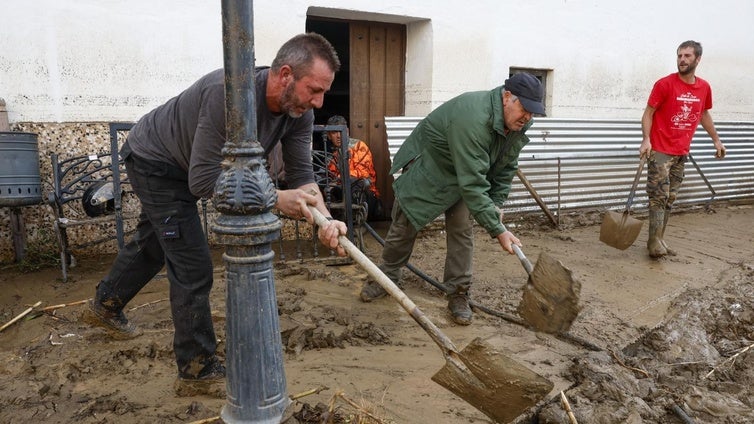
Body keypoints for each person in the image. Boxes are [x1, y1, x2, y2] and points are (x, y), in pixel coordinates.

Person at [82, 32, 347, 395]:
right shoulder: (229, 96)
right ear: (285, 74)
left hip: (186, 164)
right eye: (313, 90)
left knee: (158, 243)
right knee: (192, 264)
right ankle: (196, 368)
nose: (317, 101)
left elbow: (303, 177)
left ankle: (105, 304)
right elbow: (203, 180)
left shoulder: (298, 112)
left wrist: (325, 219)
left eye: (323, 93)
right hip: (156, 161)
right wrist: (273, 198)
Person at [359, 72, 546, 325]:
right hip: (432, 168)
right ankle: (386, 276)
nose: (528, 117)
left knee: (461, 229)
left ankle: (458, 293)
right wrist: (498, 229)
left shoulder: (519, 123)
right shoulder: (473, 118)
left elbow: (505, 166)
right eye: (525, 109)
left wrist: (496, 203)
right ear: (507, 97)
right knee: (405, 223)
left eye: (534, 113)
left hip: (467, 174)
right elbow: (472, 183)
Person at [639, 40, 726, 258]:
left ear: (698, 59)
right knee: (658, 196)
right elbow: (648, 113)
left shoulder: (703, 87)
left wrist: (716, 140)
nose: (682, 60)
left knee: (670, 197)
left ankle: (659, 239)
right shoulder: (665, 84)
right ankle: (653, 244)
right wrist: (646, 139)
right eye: (679, 56)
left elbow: (704, 114)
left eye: (687, 56)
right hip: (659, 149)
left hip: (681, 152)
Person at [324, 115, 383, 220]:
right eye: (334, 132)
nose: (338, 136)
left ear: (347, 131)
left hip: (366, 194)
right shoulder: (330, 155)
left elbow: (363, 173)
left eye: (341, 132)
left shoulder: (359, 146)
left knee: (357, 183)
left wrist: (338, 179)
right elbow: (328, 177)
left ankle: (354, 221)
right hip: (343, 193)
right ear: (328, 135)